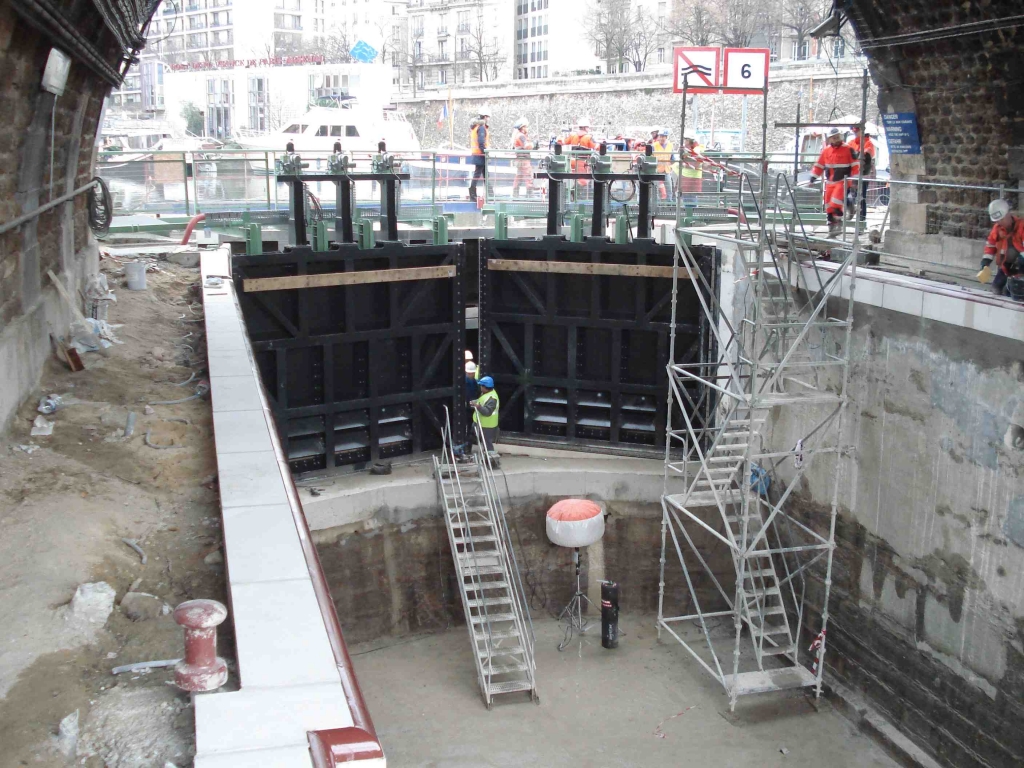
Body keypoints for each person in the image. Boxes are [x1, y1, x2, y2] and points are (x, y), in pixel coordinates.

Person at [809, 127, 859, 237]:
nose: (836, 140)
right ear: (830, 139)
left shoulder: (848, 149)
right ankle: (832, 228)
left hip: (843, 181)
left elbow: (855, 166)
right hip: (830, 182)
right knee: (828, 205)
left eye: (838, 137)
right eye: (834, 138)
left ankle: (839, 221)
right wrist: (813, 177)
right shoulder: (826, 151)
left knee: (835, 203)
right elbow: (819, 165)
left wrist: (854, 181)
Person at [978, 199, 1024, 299]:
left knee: (1015, 293)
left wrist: (1021, 260)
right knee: (996, 289)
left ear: (1008, 214)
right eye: (997, 220)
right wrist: (985, 261)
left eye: (1001, 219)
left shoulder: (1021, 226)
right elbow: (990, 245)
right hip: (1005, 267)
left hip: (1020, 268)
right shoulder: (997, 229)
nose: (999, 222)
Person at [845, 126, 876, 222]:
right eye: (854, 131)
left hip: (863, 174)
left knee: (861, 197)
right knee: (845, 193)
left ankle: (861, 220)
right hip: (852, 174)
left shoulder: (868, 143)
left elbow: (865, 156)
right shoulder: (851, 143)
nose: (855, 132)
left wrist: (855, 156)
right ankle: (851, 209)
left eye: (857, 131)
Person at [471, 376, 500, 464]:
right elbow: (482, 401)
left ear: (485, 387)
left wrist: (477, 406)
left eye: (481, 386)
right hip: (481, 424)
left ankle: (492, 462)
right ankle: (487, 459)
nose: (480, 388)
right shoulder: (487, 394)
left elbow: (487, 412)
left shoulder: (492, 399)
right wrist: (476, 402)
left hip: (487, 426)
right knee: (484, 442)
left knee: (487, 444)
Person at [468, 112, 490, 202]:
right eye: (488, 117)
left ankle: (490, 193)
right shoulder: (481, 128)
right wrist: (485, 152)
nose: (488, 119)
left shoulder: (476, 127)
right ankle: (473, 194)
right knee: (479, 174)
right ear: (485, 117)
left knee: (485, 174)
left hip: (477, 154)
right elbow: (481, 142)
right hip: (480, 154)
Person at [679, 133, 704, 206]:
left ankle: (691, 216)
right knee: (688, 199)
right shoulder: (691, 149)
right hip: (688, 178)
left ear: (690, 140)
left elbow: (697, 164)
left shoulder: (696, 150)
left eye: (686, 140)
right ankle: (690, 215)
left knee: (690, 200)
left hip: (692, 179)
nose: (684, 141)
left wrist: (684, 165)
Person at [511, 118, 534, 198]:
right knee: (528, 175)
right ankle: (529, 195)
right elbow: (527, 146)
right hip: (524, 159)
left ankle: (515, 194)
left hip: (520, 159)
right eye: (526, 126)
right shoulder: (521, 136)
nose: (527, 128)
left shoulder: (519, 135)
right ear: (522, 127)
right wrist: (534, 145)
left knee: (519, 176)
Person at [652, 129, 674, 201]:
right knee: (656, 188)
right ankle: (656, 203)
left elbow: (672, 157)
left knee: (669, 188)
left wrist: (671, 164)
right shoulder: (654, 146)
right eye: (660, 136)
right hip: (657, 170)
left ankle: (669, 203)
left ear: (666, 137)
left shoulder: (670, 145)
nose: (661, 138)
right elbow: (651, 157)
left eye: (663, 136)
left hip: (667, 170)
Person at [464, 360, 481, 446]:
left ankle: (470, 440)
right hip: (466, 407)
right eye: (471, 373)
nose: (473, 374)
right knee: (466, 424)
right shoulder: (463, 382)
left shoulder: (474, 382)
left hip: (471, 406)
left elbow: (476, 392)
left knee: (471, 422)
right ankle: (466, 441)